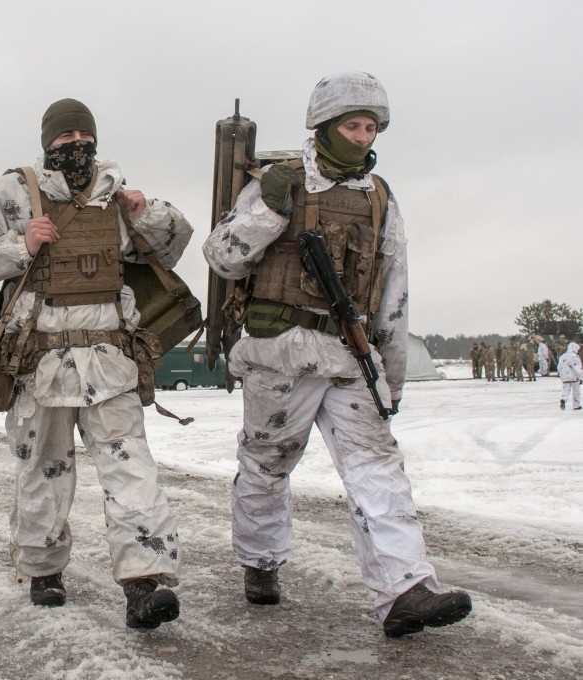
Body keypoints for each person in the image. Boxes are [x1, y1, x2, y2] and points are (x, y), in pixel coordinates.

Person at [202, 72, 471, 638]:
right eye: (352, 124)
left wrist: (390, 375)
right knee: (267, 464)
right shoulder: (279, 183)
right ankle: (260, 560)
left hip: (350, 354)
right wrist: (268, 213)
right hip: (281, 351)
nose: (362, 135)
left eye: (371, 126)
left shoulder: (380, 198)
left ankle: (404, 588)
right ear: (324, 126)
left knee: (378, 467)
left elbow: (393, 291)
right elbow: (223, 258)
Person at [0, 98, 191, 630]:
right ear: (47, 141)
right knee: (43, 472)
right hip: (39, 364)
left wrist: (150, 215)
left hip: (111, 364)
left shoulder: (116, 194)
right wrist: (18, 244)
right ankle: (43, 570)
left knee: (132, 471)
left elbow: (172, 250)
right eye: (64, 136)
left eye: (84, 133)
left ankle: (144, 583)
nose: (75, 144)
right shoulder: (10, 194)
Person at [557, 341, 582, 410]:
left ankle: (563, 399)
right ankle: (576, 406)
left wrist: (561, 375)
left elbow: (559, 367)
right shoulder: (575, 356)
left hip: (564, 377)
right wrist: (581, 378)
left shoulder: (562, 356)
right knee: (576, 391)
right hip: (574, 377)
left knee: (565, 390)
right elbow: (577, 369)